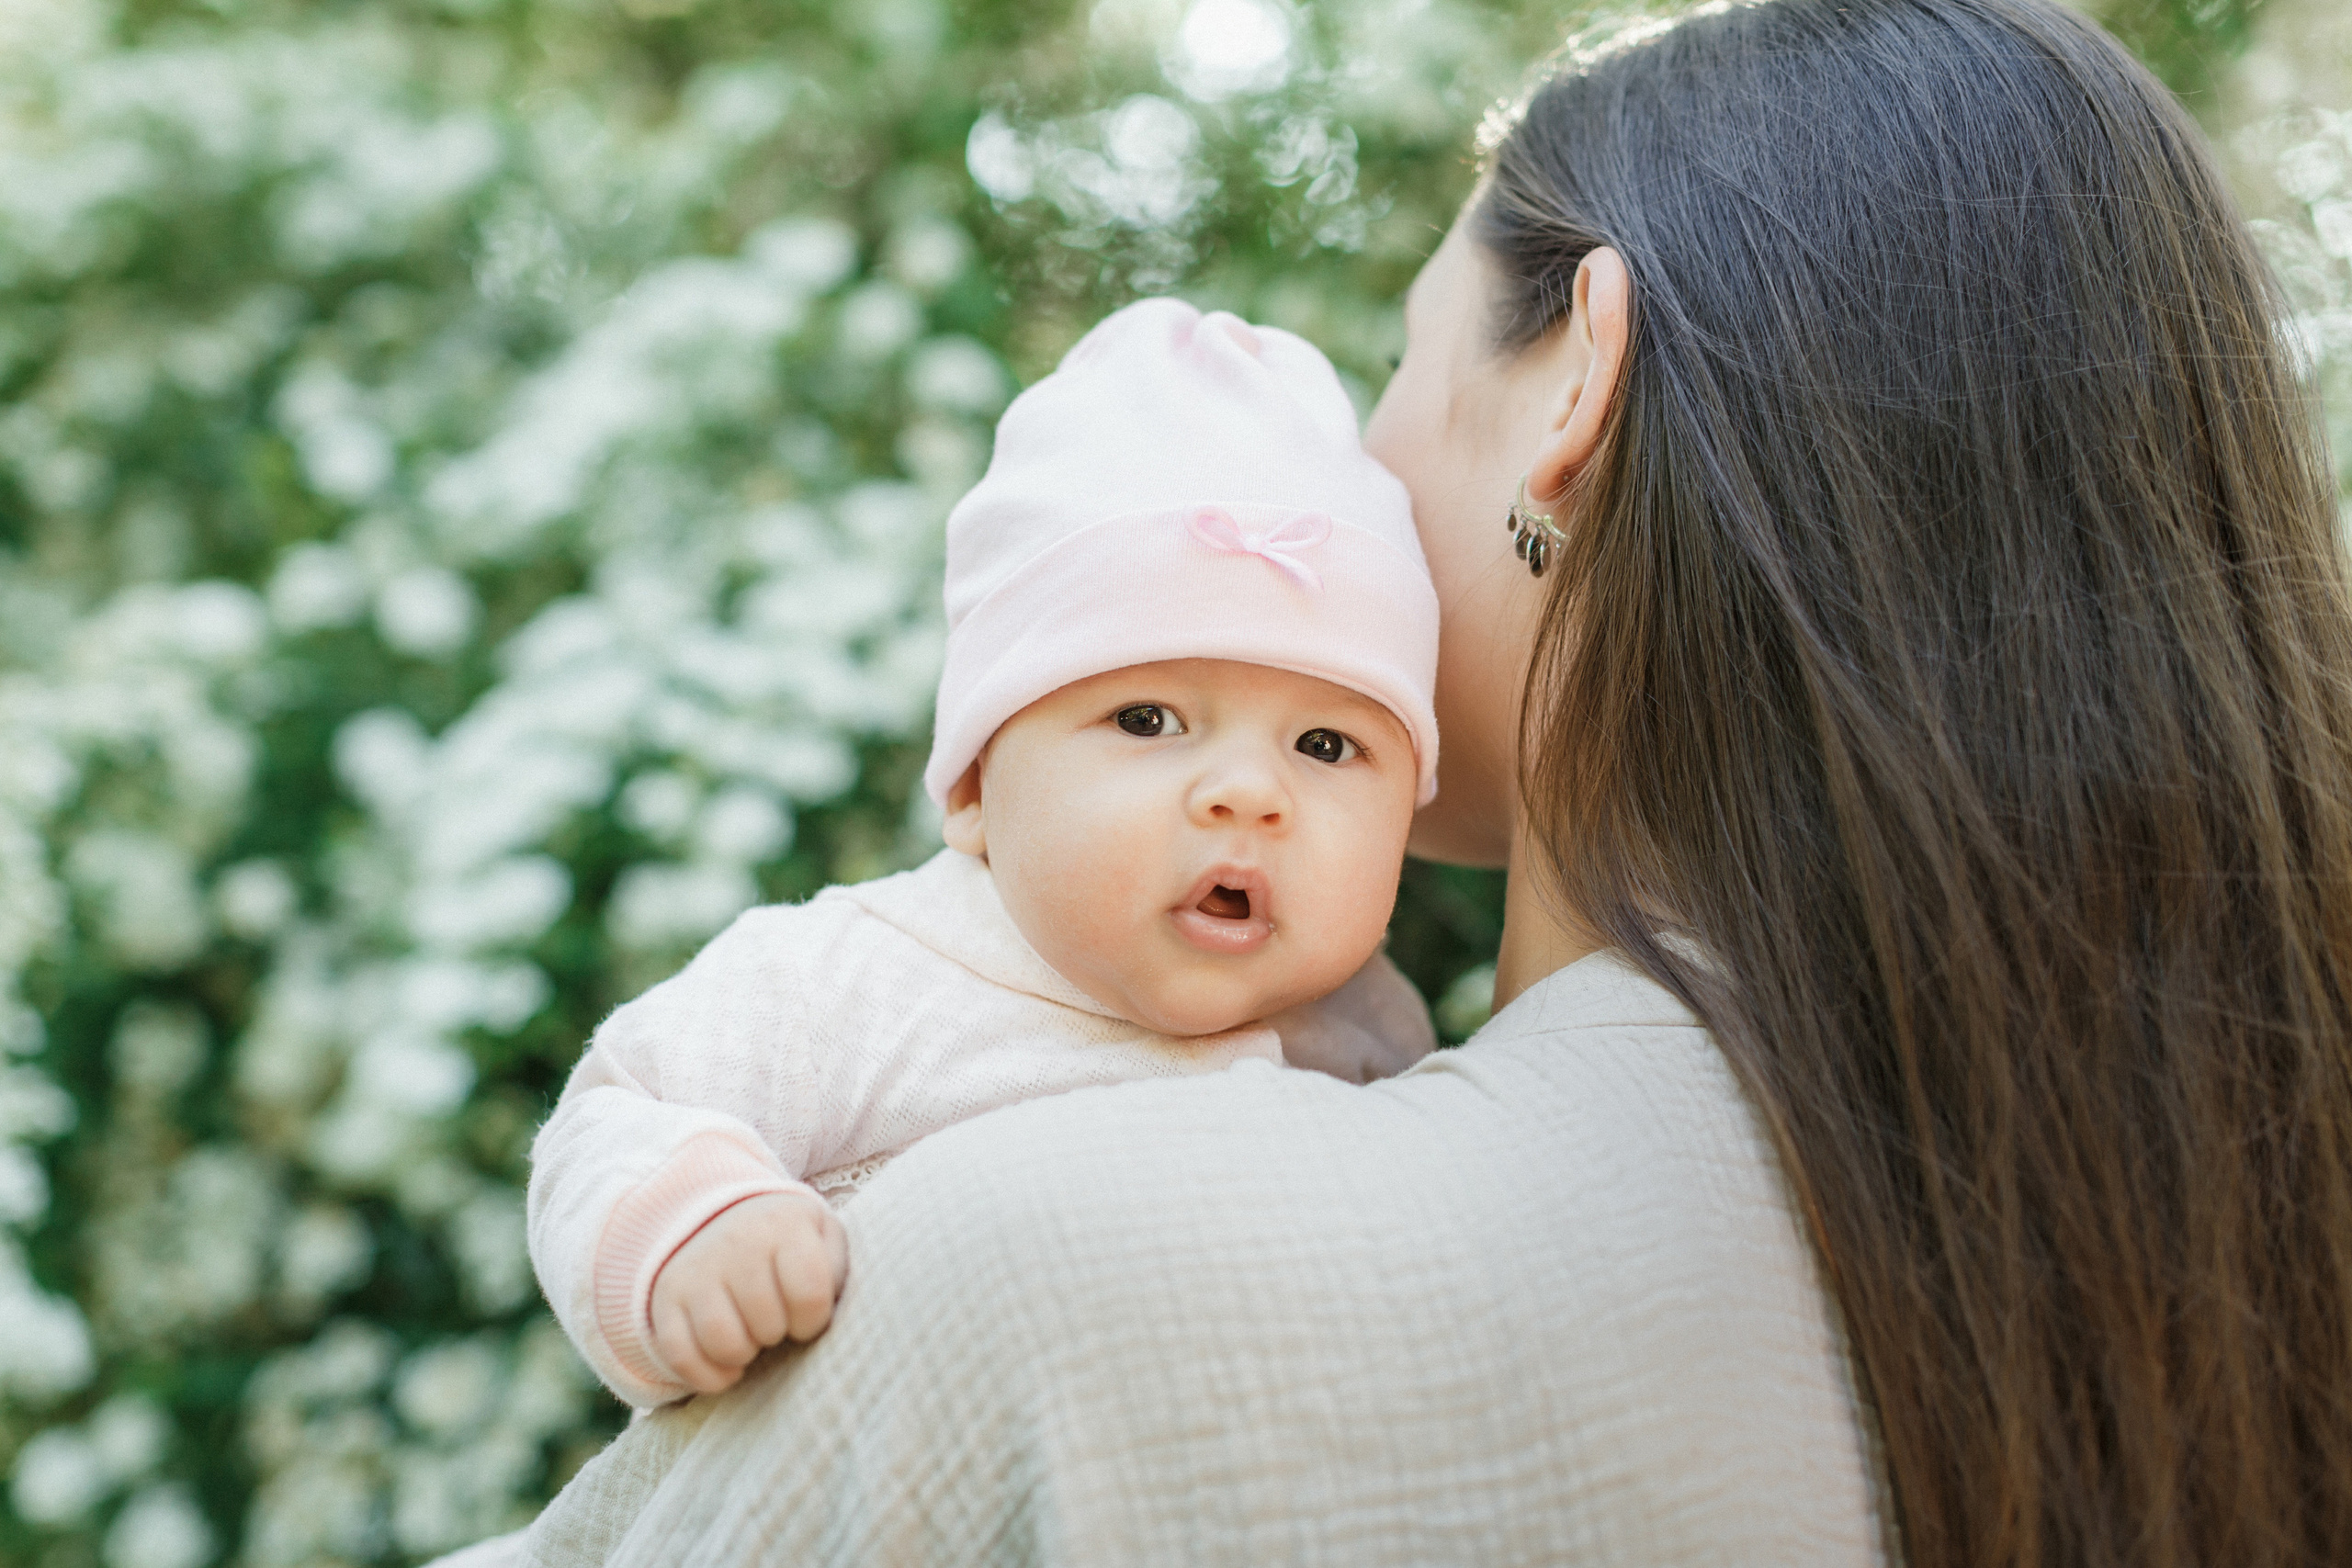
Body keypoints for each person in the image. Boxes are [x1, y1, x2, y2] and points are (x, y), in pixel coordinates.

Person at [462, 0, 2352, 1562]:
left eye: (1390, 361)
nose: (1352, 468)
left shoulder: (1078, 1273)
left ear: (1571, 384)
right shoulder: (2216, 1264)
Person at [526, 297, 1444, 1410]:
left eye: (1325, 743)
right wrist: (694, 1230)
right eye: (1148, 720)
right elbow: (622, 1113)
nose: (1250, 793)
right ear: (972, 790)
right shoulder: (850, 980)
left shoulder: (1374, 1037)